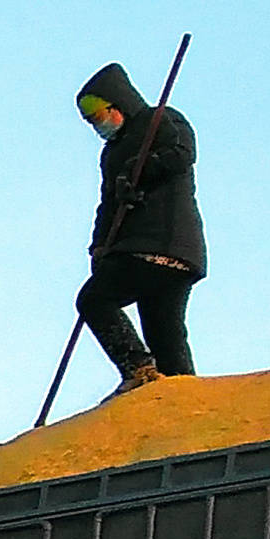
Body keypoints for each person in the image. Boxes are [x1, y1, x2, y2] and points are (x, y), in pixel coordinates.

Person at [75, 60, 205, 395]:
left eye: (100, 115)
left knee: (94, 300)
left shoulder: (160, 120)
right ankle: (182, 393)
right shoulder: (111, 153)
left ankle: (138, 368)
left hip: (159, 243)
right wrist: (99, 246)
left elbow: (182, 154)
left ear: (117, 103)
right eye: (91, 121)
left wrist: (142, 169)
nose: (97, 125)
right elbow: (108, 204)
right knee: (164, 331)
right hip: (158, 252)